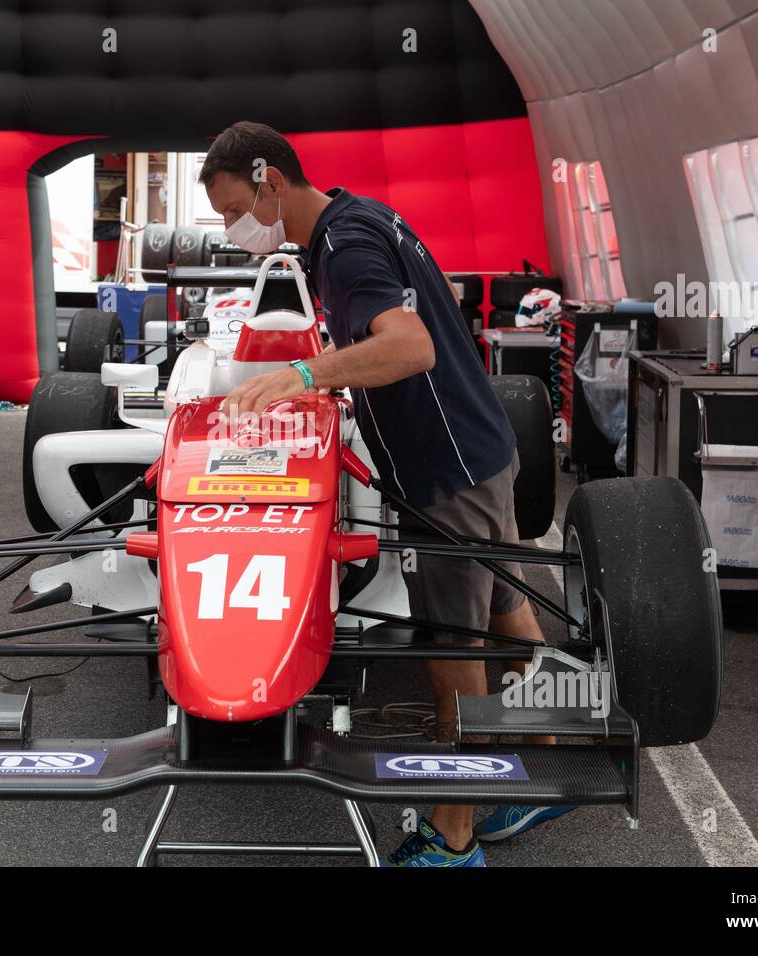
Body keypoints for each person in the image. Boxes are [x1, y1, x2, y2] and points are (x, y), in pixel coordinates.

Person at [202, 121, 574, 867]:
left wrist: (304, 376)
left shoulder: (343, 247)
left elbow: (411, 346)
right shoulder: (359, 215)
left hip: (448, 471)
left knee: (451, 652)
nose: (232, 228)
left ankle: (453, 833)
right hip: (483, 447)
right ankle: (543, 762)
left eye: (233, 208)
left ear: (270, 180)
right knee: (505, 606)